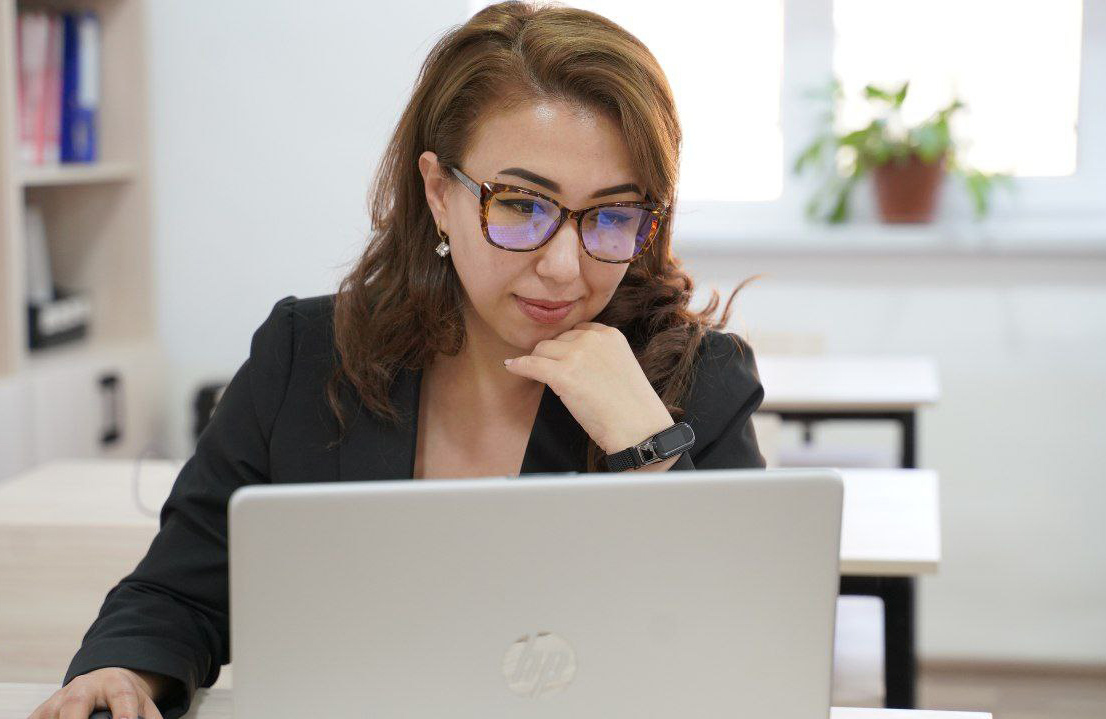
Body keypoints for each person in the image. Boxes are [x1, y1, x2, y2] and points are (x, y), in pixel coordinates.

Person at [29, 2, 766, 718]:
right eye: (521, 205)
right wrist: (119, 672)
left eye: (612, 215)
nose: (565, 267)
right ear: (439, 192)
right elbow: (176, 594)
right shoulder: (308, 356)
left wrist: (649, 449)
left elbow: (757, 652)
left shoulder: (699, 381)